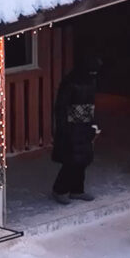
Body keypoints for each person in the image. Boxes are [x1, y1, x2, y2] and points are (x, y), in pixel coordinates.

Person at [50, 56, 101, 202]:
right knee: (72, 159)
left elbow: (91, 103)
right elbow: (61, 107)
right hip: (71, 124)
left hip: (85, 121)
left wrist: (93, 122)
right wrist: (63, 127)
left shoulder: (90, 80)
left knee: (84, 158)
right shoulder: (70, 83)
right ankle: (60, 189)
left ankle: (77, 190)